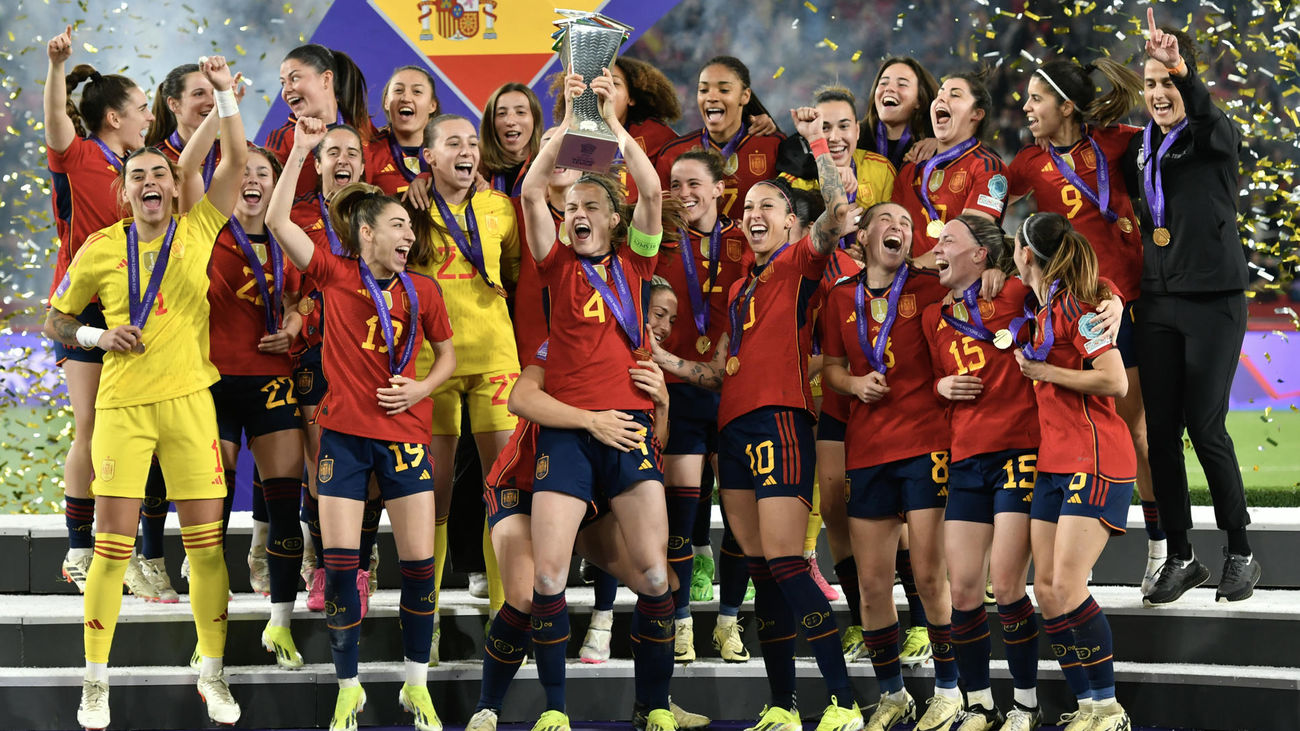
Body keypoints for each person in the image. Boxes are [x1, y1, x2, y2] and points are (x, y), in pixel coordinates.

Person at [44, 55, 246, 731]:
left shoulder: (198, 229)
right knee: (111, 548)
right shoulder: (100, 247)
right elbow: (56, 319)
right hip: (124, 410)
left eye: (161, 172)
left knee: (208, 549)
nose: (152, 180)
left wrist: (225, 102)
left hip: (191, 404)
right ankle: (93, 682)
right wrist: (99, 341)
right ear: (125, 192)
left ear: (173, 184)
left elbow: (237, 168)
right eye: (140, 176)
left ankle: (212, 674)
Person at [653, 106, 864, 731]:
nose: (752, 214)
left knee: (788, 561)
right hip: (733, 425)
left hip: (782, 422)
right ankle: (782, 703)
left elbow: (839, 214)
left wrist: (820, 146)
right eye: (748, 208)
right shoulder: (746, 281)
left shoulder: (802, 262)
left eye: (767, 206)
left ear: (794, 223)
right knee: (761, 564)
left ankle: (844, 702)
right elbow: (715, 371)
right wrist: (656, 353)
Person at [267, 115, 457, 731]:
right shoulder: (334, 274)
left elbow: (447, 354)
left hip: (406, 439)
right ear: (367, 232)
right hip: (344, 439)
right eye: (398, 226)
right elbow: (275, 222)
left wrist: (423, 385)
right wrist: (297, 151)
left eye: (410, 226)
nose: (408, 235)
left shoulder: (424, 290)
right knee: (343, 567)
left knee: (419, 568)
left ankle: (414, 685)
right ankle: (347, 687)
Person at [517, 67, 675, 731]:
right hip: (569, 433)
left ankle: (655, 707)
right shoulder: (557, 261)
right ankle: (555, 710)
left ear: (613, 216)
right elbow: (531, 192)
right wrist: (565, 124)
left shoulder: (637, 260)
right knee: (548, 578)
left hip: (631, 427)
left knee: (656, 577)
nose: (577, 214)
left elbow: (654, 190)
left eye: (590, 207)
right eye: (571, 208)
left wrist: (611, 123)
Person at [1008, 55, 1167, 595]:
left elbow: (1173, 134)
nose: (1026, 107)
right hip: (1077, 306)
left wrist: (1168, 73)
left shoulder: (1119, 141)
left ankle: (1161, 545)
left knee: (1137, 430)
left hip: (1125, 305)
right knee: (1076, 416)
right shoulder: (1028, 162)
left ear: (1066, 106)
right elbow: (984, 204)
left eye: (1036, 98)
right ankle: (1081, 540)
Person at [1124, 8, 1260, 605]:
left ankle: (1241, 551)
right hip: (1158, 302)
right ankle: (1181, 555)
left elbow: (1210, 115)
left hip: (1214, 301)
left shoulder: (1212, 136)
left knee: (1205, 426)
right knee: (1161, 435)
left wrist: (1182, 67)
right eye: (1150, 83)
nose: (1158, 93)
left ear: (1187, 82)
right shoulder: (1140, 152)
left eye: (1168, 82)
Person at [820, 202, 959, 731]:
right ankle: (893, 693)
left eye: (906, 223)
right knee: (874, 583)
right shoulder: (839, 297)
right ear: (864, 235)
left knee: (927, 574)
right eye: (887, 221)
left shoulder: (929, 286)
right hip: (868, 450)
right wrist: (854, 385)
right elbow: (832, 367)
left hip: (927, 444)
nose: (898, 228)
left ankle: (948, 690)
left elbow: (982, 279)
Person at [1011, 212, 1134, 731]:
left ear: (1026, 255)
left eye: (1014, 248)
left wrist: (1045, 372)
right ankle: (1086, 706)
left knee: (1068, 583)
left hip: (1095, 455)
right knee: (1046, 589)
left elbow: (1115, 383)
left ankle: (1110, 709)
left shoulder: (1081, 308)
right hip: (1055, 462)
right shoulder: (1043, 309)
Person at [42, 24, 153, 596]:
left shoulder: (144, 168)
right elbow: (58, 130)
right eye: (141, 109)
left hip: (134, 312)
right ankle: (80, 548)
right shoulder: (81, 156)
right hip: (83, 309)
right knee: (91, 426)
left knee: (129, 433)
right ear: (114, 117)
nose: (147, 118)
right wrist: (57, 67)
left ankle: (122, 548)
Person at [924, 216, 1042, 730]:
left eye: (949, 240)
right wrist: (940, 388)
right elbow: (933, 378)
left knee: (1009, 585)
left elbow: (1076, 281)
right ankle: (978, 703)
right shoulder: (933, 316)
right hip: (967, 458)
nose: (938, 247)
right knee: (966, 590)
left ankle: (1027, 705)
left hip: (1020, 450)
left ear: (980, 256)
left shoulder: (1016, 291)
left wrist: (1107, 299)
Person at [414, 112, 521, 661]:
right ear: (427, 156)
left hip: (497, 360)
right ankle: (424, 624)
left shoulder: (501, 208)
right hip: (432, 367)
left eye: (471, 143)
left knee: (502, 491)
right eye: (452, 143)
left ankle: (505, 622)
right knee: (432, 497)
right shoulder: (407, 212)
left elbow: (522, 279)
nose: (467, 151)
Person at [203, 142, 309, 669]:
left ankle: (280, 623)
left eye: (261, 172)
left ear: (274, 183)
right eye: (241, 172)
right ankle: (209, 614)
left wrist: (292, 326)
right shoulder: (203, 234)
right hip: (213, 381)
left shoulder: (289, 240)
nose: (251, 179)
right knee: (213, 502)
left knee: (285, 503)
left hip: (272, 380)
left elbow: (305, 299)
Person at [891, 71, 1007, 266]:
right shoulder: (911, 167)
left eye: (955, 94)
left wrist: (911, 270)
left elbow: (970, 240)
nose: (942, 99)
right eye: (940, 94)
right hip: (905, 290)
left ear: (976, 114)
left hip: (955, 292)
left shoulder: (988, 167)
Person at [655, 56, 784, 219]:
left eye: (723, 90)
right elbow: (663, 221)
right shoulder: (673, 154)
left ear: (745, 96)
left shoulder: (773, 147)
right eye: (703, 90)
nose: (711, 97)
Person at [775, 58, 937, 180]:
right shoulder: (853, 135)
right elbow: (788, 153)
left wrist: (944, 144)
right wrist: (829, 169)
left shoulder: (932, 141)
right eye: (883, 83)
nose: (889, 89)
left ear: (919, 100)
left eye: (902, 84)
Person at [263, 44, 373, 199]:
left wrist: (420, 177)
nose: (286, 90)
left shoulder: (360, 124)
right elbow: (267, 202)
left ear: (326, 79)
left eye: (294, 79)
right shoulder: (283, 140)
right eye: (282, 83)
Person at [368, 65, 439, 204]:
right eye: (398, 90)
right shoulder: (370, 151)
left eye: (417, 91)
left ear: (432, 105)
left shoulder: (449, 151)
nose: (406, 97)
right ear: (386, 102)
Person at [479, 82, 543, 197]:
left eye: (520, 112)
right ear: (490, 123)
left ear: (535, 119)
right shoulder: (476, 169)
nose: (510, 121)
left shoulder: (549, 167)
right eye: (502, 113)